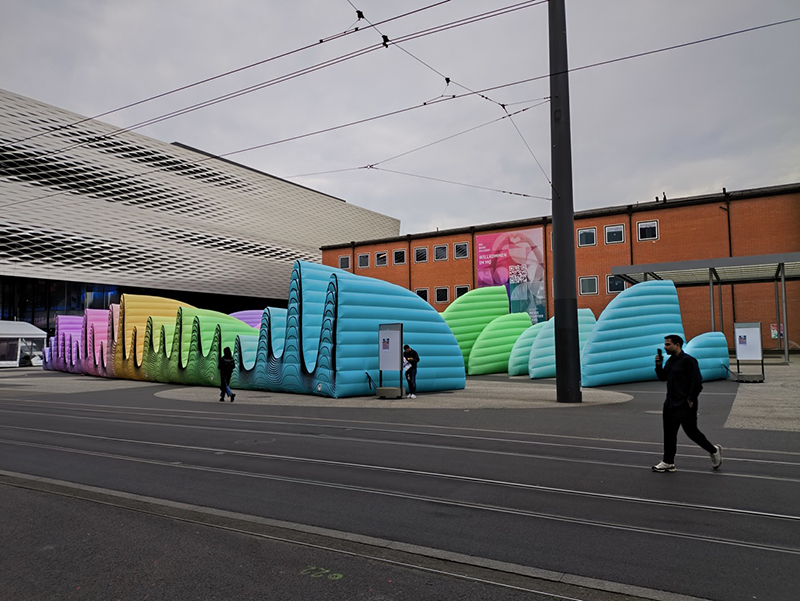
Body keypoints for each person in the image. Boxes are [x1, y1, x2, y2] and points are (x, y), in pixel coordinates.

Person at [653, 334, 722, 472]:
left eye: (668, 344)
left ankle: (713, 450)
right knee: (669, 434)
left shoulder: (689, 361)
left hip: (684, 405)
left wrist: (690, 399)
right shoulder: (671, 361)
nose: (665, 347)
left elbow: (697, 382)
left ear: (677, 345)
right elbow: (663, 377)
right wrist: (659, 366)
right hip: (670, 404)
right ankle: (668, 462)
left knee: (692, 433)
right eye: (665, 344)